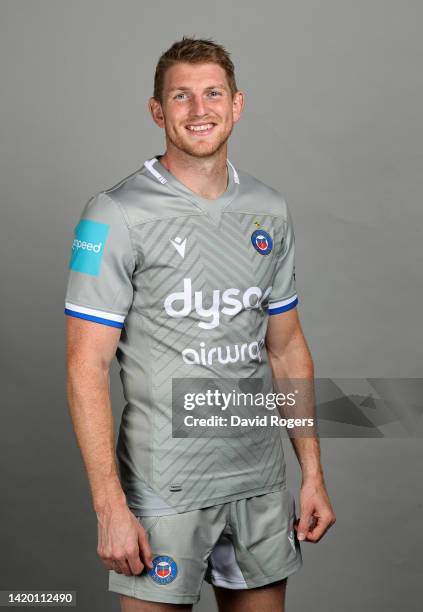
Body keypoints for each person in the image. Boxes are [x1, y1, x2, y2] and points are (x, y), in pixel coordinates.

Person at [65, 37, 336, 612]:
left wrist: (310, 470)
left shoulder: (269, 208)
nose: (198, 110)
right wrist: (110, 506)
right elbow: (84, 367)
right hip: (164, 489)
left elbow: (287, 351)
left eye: (212, 94)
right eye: (180, 97)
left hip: (258, 480)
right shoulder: (114, 214)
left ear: (237, 104)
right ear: (157, 111)